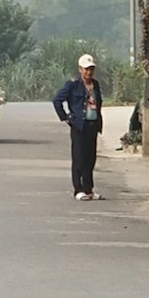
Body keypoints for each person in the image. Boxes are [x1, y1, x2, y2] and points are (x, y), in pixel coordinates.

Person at [51, 51, 108, 198]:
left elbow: (98, 103)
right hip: (79, 126)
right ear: (80, 69)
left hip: (92, 124)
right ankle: (79, 189)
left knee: (91, 158)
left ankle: (89, 189)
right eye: (86, 69)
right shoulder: (73, 84)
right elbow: (57, 100)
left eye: (91, 69)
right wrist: (66, 117)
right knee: (79, 158)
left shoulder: (95, 84)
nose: (89, 72)